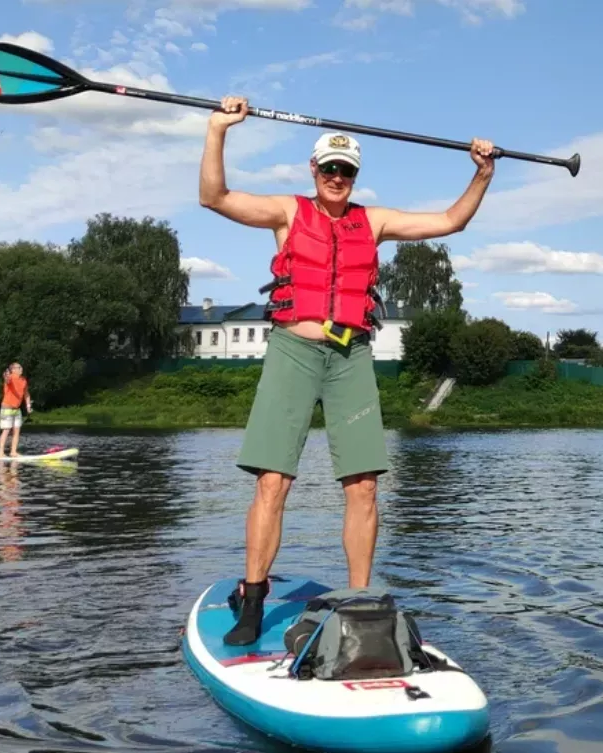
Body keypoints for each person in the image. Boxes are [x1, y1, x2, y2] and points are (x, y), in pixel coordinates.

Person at [198, 95, 496, 646]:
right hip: (292, 351)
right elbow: (212, 196)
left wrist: (481, 175)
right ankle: (254, 599)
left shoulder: (373, 220)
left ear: (355, 175)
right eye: (329, 167)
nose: (338, 176)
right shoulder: (288, 212)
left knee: (363, 486)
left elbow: (451, 221)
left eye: (347, 170)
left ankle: (360, 602)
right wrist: (219, 129)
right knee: (273, 481)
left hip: (350, 356)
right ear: (314, 170)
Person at [0, 362, 31, 458]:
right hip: (7, 408)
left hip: (17, 409)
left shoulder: (23, 380)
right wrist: (6, 376)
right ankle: (0, 453)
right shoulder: (10, 377)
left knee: (17, 431)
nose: (21, 369)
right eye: (19, 367)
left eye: (21, 367)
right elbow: (7, 380)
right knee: (6, 430)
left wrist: (28, 406)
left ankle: (13, 452)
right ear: (13, 370)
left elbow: (26, 394)